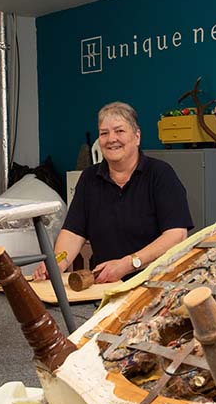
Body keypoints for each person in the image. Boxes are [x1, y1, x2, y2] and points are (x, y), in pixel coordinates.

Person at [33, 101, 193, 283]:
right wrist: (57, 263)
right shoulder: (89, 178)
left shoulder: (160, 174)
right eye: (104, 133)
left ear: (137, 136)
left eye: (120, 131)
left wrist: (127, 264)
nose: (111, 139)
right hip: (106, 285)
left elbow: (176, 235)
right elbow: (73, 233)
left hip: (156, 285)